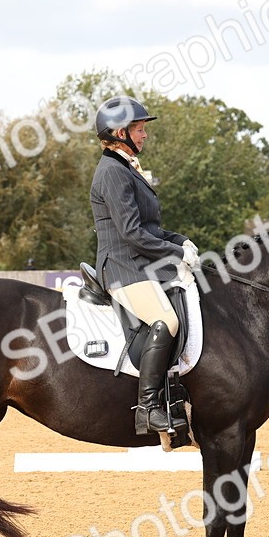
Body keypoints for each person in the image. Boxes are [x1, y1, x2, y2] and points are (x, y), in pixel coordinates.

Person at [90, 94, 199, 435]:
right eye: (139, 129)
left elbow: (150, 227)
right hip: (123, 266)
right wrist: (175, 254)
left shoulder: (125, 169)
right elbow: (133, 234)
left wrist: (180, 240)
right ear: (120, 133)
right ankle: (149, 408)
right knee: (166, 320)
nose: (144, 134)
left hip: (140, 262)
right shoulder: (111, 172)